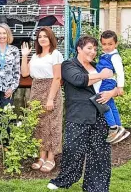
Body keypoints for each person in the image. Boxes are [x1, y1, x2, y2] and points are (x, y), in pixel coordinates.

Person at [47, 36, 118, 191]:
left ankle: (96, 186)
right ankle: (64, 180)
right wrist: (101, 76)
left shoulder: (97, 67)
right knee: (73, 150)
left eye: (94, 49)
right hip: (78, 115)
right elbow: (79, 80)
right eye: (89, 48)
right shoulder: (69, 65)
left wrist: (111, 93)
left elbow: (117, 87)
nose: (93, 52)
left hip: (101, 116)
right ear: (79, 49)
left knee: (100, 155)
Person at [20, 27, 63, 173]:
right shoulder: (36, 56)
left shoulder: (55, 54)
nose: (42, 39)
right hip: (36, 89)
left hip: (51, 89)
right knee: (39, 125)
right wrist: (25, 55)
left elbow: (57, 78)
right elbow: (25, 73)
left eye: (45, 36)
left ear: (51, 38)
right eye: (40, 37)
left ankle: (51, 158)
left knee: (52, 125)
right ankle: (42, 156)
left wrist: (50, 99)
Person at [97, 30, 130, 143]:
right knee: (111, 104)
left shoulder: (114, 56)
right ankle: (120, 127)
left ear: (116, 44)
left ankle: (113, 127)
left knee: (102, 102)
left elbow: (120, 72)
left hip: (108, 82)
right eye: (104, 44)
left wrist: (120, 87)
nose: (107, 47)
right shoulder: (105, 55)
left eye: (110, 44)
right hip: (105, 81)